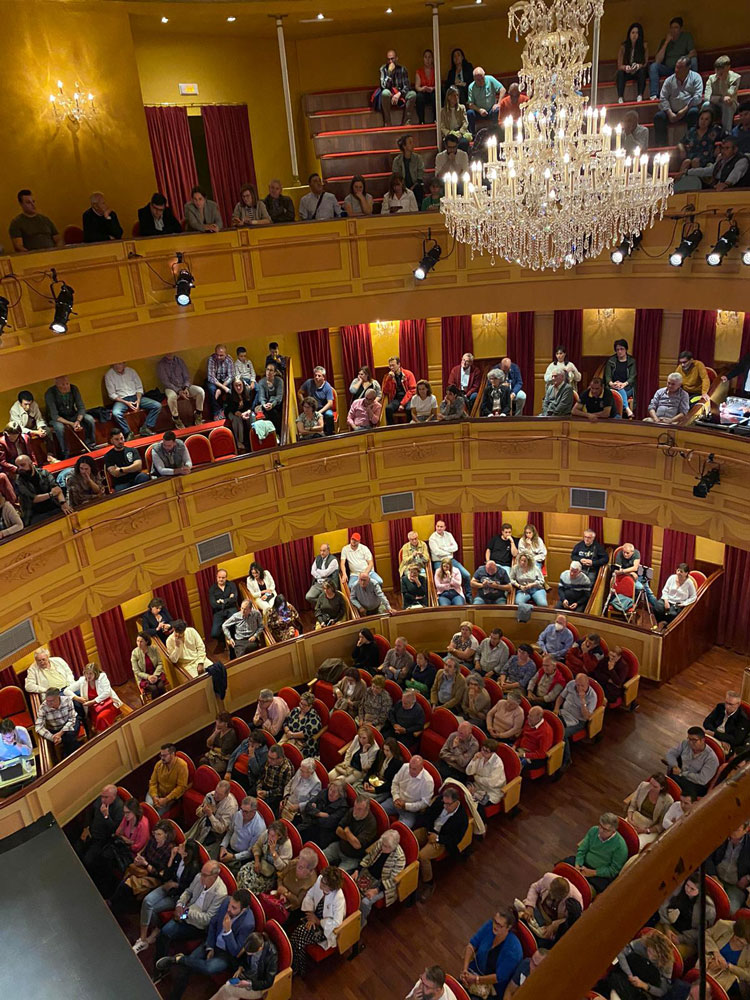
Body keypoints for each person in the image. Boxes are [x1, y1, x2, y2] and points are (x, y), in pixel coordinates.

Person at [155, 889, 256, 999]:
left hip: (226, 954)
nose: (229, 909)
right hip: (213, 942)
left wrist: (228, 932)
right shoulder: (227, 901)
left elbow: (235, 951)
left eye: (234, 908)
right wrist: (210, 946)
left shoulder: (248, 924)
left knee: (209, 968)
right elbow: (213, 923)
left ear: (244, 909)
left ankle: (179, 959)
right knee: (185, 969)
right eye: (230, 905)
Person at [153, 861, 228, 972]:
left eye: (205, 875)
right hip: (186, 914)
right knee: (164, 932)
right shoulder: (198, 877)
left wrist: (186, 912)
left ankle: (162, 969)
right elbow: (188, 892)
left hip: (198, 926)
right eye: (201, 873)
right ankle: (160, 964)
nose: (201, 877)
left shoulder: (220, 893)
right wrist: (179, 904)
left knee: (167, 932)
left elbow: (207, 919)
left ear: (215, 876)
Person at [109, 819, 176, 915]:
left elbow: (161, 874)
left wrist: (146, 864)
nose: (156, 836)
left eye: (159, 834)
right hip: (142, 869)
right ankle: (114, 904)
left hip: (153, 877)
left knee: (127, 885)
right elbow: (144, 853)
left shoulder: (169, 850)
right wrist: (139, 859)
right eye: (155, 833)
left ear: (166, 835)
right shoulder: (153, 840)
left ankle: (114, 905)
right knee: (127, 875)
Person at [414, 786, 470, 901]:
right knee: (412, 838)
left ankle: (429, 883)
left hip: (442, 840)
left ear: (456, 802)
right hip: (430, 830)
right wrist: (430, 833)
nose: (445, 806)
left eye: (448, 804)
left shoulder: (461, 818)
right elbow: (428, 816)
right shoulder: (440, 802)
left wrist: (438, 839)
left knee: (423, 856)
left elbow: (455, 840)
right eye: (444, 803)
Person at [290, 867, 347, 977]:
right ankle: (296, 966)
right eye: (322, 881)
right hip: (314, 916)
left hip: (326, 928)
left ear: (332, 887)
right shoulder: (321, 879)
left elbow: (337, 923)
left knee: (299, 937)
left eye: (325, 885)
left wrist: (318, 921)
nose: (321, 885)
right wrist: (311, 914)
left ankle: (298, 968)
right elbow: (310, 894)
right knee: (296, 937)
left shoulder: (338, 898)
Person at [461, 908, 523, 998]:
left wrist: (476, 980)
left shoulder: (513, 950)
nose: (495, 926)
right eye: (495, 921)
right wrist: (465, 969)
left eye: (499, 925)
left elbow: (499, 977)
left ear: (508, 927)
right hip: (475, 972)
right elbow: (472, 944)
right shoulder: (490, 926)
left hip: (492, 987)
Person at [560, 812, 628, 893]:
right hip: (583, 865)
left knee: (584, 891)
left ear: (613, 831)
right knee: (562, 870)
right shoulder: (594, 830)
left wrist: (593, 872)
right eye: (600, 826)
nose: (601, 830)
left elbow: (613, 870)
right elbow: (582, 849)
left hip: (599, 875)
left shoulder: (620, 846)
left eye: (605, 829)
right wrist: (578, 864)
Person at [599, 930, 675, 1000]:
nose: (649, 955)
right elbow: (622, 953)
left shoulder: (667, 964)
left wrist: (644, 985)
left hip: (642, 990)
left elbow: (662, 991)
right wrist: (630, 975)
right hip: (624, 977)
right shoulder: (643, 943)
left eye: (653, 955)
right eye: (649, 950)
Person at [655, 873, 715, 959]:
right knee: (655, 941)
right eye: (687, 885)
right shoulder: (679, 887)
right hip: (669, 926)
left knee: (668, 954)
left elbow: (702, 932)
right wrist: (667, 928)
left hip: (687, 939)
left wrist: (680, 938)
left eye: (692, 889)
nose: (688, 890)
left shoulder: (707, 908)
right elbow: (664, 905)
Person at [74, 784, 125, 875]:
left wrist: (106, 816)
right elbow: (90, 812)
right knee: (76, 849)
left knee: (87, 861)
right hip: (91, 831)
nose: (102, 799)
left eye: (106, 797)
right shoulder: (101, 800)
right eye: (102, 796)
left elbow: (114, 829)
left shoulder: (119, 808)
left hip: (102, 840)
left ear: (113, 797)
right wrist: (86, 827)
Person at [519, 873, 584, 944]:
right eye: (551, 894)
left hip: (553, 921)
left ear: (565, 895)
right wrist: (530, 906)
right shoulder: (548, 878)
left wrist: (554, 925)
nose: (552, 898)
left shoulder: (575, 899)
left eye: (556, 898)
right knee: (521, 920)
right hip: (539, 908)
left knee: (539, 942)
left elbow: (572, 920)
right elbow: (534, 888)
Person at [653, 57, 703, 147]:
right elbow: (663, 98)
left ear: (688, 68)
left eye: (680, 68)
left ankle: (692, 144)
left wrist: (684, 110)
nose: (676, 70)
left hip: (688, 110)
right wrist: (669, 113)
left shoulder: (696, 77)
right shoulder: (669, 80)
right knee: (658, 117)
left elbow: (697, 97)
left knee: (694, 113)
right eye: (676, 67)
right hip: (671, 111)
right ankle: (661, 146)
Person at [105, 362, 161, 440]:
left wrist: (138, 400)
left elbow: (139, 388)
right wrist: (126, 403)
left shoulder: (131, 371)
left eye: (120, 364)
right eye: (116, 364)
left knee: (157, 405)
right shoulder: (109, 375)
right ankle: (128, 432)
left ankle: (146, 427)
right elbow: (112, 395)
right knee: (116, 413)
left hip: (135, 396)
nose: (118, 366)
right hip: (121, 400)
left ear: (124, 364)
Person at [324, 794, 378, 871]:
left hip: (353, 857)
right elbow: (338, 831)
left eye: (359, 809)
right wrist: (351, 839)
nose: (355, 811)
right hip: (339, 847)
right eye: (355, 807)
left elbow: (357, 845)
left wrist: (347, 831)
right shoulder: (351, 811)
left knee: (338, 877)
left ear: (367, 809)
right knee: (320, 857)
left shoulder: (371, 824)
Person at [45, 375, 96, 456]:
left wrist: (78, 421)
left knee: (89, 419)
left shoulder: (74, 389)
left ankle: (91, 445)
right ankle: (65, 452)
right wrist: (71, 424)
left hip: (72, 414)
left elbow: (81, 408)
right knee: (59, 428)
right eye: (62, 385)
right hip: (58, 419)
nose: (66, 386)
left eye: (67, 384)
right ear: (57, 385)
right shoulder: (50, 393)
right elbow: (54, 415)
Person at [237, 822, 293, 894]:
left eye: (272, 836)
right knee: (242, 872)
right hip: (261, 863)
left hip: (272, 873)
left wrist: (274, 853)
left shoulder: (286, 845)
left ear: (279, 836)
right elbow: (257, 846)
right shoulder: (266, 835)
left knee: (250, 884)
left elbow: (283, 867)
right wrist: (257, 861)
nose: (269, 837)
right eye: (269, 834)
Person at [649, 16, 698, 99]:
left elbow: (693, 53)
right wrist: (666, 42)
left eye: (676, 27)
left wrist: (682, 61)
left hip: (682, 68)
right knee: (653, 66)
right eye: (671, 28)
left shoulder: (686, 37)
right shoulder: (664, 41)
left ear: (681, 29)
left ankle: (693, 89)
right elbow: (658, 60)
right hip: (669, 69)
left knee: (693, 60)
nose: (673, 30)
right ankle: (654, 95)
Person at [14, 454, 71, 524]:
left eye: (22, 465)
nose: (20, 468)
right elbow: (34, 499)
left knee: (68, 514)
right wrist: (50, 494)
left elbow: (56, 488)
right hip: (35, 514)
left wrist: (63, 503)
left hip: (53, 507)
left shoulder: (44, 473)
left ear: (31, 464)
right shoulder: (19, 481)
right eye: (18, 466)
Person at [381, 754, 434, 827]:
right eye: (410, 767)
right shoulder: (405, 767)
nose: (411, 771)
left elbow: (424, 803)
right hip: (395, 801)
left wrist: (406, 806)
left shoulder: (427, 781)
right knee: (378, 811)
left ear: (421, 768)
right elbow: (395, 782)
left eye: (414, 769)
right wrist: (396, 797)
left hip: (410, 810)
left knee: (402, 829)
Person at [216, 796, 268, 871]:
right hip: (228, 848)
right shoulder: (238, 814)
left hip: (241, 858)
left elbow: (251, 852)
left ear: (254, 812)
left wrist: (233, 857)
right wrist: (223, 846)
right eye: (241, 810)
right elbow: (230, 832)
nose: (242, 813)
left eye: (246, 812)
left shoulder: (259, 828)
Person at [665, 726, 719, 797]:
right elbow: (670, 753)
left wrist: (682, 773)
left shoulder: (712, 759)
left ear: (702, 740)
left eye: (694, 740)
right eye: (689, 739)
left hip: (695, 785)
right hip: (680, 776)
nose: (690, 742)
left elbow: (702, 779)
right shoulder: (685, 743)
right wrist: (675, 766)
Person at [156, 353, 205, 430]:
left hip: (184, 386)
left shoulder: (180, 361)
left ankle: (198, 414)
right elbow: (165, 382)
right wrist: (178, 391)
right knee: (171, 397)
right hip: (171, 388)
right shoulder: (161, 364)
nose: (169, 353)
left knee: (200, 391)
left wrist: (185, 388)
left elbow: (187, 376)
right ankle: (176, 419)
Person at [557, 673, 597, 767]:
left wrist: (583, 700)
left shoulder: (592, 696)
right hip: (564, 713)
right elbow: (561, 697)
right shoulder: (571, 684)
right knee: (552, 726)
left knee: (562, 734)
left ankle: (566, 760)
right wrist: (556, 708)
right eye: (577, 685)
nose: (579, 687)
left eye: (582, 685)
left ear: (587, 684)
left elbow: (587, 716)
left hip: (578, 721)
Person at [69, 661, 121, 733]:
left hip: (107, 705)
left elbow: (107, 692)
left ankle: (105, 737)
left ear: (96, 673)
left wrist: (93, 701)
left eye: (91, 673)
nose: (88, 676)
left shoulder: (102, 677)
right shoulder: (82, 680)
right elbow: (66, 690)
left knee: (101, 718)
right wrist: (76, 698)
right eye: (86, 673)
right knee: (97, 719)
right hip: (94, 708)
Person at [625, 773, 675, 849]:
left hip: (651, 827)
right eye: (650, 784)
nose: (650, 787)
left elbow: (661, 824)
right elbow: (633, 804)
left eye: (655, 786)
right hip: (636, 817)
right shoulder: (643, 785)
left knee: (637, 845)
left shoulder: (668, 801)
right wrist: (629, 818)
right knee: (621, 833)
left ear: (662, 787)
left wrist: (645, 830)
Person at [185, 780, 238, 848]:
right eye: (216, 792)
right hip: (204, 823)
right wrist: (203, 810)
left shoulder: (231, 807)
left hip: (216, 834)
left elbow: (221, 829)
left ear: (226, 795)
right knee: (188, 842)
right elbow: (197, 813)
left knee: (200, 851)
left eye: (220, 794)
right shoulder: (210, 795)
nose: (216, 796)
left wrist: (210, 815)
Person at [704, 917, 750, 995]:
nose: (739, 944)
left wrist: (728, 966)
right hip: (710, 962)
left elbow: (748, 974)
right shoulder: (724, 925)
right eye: (737, 939)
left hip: (731, 978)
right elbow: (706, 934)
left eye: (743, 944)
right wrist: (716, 953)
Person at [297, 780, 349, 848]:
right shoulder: (324, 792)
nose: (330, 793)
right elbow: (308, 806)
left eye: (334, 792)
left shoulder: (343, 807)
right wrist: (319, 813)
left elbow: (328, 822)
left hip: (323, 835)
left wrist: (314, 812)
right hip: (309, 824)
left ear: (340, 794)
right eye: (330, 789)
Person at [676, 109, 725, 178]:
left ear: (710, 121)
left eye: (706, 119)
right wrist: (682, 149)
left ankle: (696, 184)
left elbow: (727, 139)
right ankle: (677, 184)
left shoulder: (715, 131)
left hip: (706, 157)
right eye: (701, 118)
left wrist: (719, 146)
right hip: (691, 156)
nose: (703, 121)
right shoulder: (692, 131)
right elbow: (680, 142)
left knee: (695, 161)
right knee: (686, 162)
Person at [649, 562, 698, 627]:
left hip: (678, 604)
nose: (679, 573)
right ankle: (659, 623)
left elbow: (693, 596)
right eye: (678, 570)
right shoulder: (672, 578)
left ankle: (667, 626)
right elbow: (665, 590)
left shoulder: (689, 583)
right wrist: (666, 601)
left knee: (672, 614)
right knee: (656, 608)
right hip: (667, 600)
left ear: (686, 573)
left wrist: (684, 604)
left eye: (681, 571)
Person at [147, 743, 189, 816]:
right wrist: (154, 796)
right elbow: (153, 783)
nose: (162, 758)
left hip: (168, 798)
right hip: (156, 794)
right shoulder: (158, 764)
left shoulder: (182, 766)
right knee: (148, 809)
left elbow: (181, 787)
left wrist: (166, 799)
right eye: (161, 755)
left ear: (172, 754)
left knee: (157, 815)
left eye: (164, 755)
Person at [35, 687, 78, 758]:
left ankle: (68, 756)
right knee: (69, 739)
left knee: (70, 734)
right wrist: (52, 737)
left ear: (58, 697)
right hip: (55, 728)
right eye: (47, 701)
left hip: (70, 723)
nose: (49, 703)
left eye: (52, 701)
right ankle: (73, 755)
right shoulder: (43, 707)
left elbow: (72, 719)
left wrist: (61, 733)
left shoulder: (67, 700)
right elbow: (38, 727)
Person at [377, 48, 417, 126]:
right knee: (385, 93)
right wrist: (389, 73)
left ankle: (406, 121)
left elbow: (407, 86)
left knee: (412, 94)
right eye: (388, 59)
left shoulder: (403, 69)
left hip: (400, 94)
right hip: (390, 94)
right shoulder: (383, 69)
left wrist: (399, 94)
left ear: (396, 58)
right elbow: (383, 86)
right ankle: (387, 122)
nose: (390, 61)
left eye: (392, 59)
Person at [704, 691, 750, 756]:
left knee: (708, 753)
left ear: (738, 704)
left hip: (727, 743)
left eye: (731, 704)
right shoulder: (720, 707)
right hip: (714, 735)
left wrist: (715, 734)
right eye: (726, 703)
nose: (727, 706)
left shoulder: (743, 719)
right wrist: (716, 735)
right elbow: (706, 723)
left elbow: (737, 740)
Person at [281, 691, 323, 758]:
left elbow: (305, 733)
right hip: (289, 735)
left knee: (288, 755)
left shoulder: (313, 717)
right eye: (301, 703)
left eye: (304, 705)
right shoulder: (295, 710)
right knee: (278, 749)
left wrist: (292, 735)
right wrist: (288, 731)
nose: (301, 706)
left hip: (304, 743)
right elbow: (285, 722)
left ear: (310, 706)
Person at [466, 739, 506, 808]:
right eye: (482, 749)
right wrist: (474, 759)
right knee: (462, 793)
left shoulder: (497, 764)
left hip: (492, 792)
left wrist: (477, 778)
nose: (483, 752)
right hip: (478, 786)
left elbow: (491, 783)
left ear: (493, 753)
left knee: (476, 806)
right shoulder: (480, 756)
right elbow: (469, 772)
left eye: (486, 751)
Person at [604, 338, 637, 418]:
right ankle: (627, 408)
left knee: (620, 389)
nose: (619, 351)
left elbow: (633, 376)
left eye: (622, 349)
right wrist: (612, 384)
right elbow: (607, 376)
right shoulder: (611, 361)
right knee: (618, 389)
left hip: (627, 387)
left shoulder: (631, 361)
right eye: (617, 349)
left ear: (626, 349)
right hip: (613, 387)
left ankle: (622, 410)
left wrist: (623, 384)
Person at [299, 366, 336, 436]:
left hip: (324, 409)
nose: (316, 377)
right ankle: (312, 435)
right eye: (315, 375)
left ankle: (329, 435)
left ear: (323, 377)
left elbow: (330, 403)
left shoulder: (327, 386)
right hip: (311, 409)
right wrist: (304, 403)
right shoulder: (309, 382)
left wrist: (319, 413)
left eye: (319, 376)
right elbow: (299, 393)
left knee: (329, 415)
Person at [256, 746, 294, 815]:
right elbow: (262, 776)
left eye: (272, 759)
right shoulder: (269, 761)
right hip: (264, 786)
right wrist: (259, 788)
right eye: (268, 757)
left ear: (280, 758)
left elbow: (283, 788)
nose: (269, 760)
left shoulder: (287, 769)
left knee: (261, 808)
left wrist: (267, 794)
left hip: (275, 793)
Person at [616, 23, 649, 102]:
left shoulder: (644, 46)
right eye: (633, 33)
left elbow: (645, 62)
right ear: (629, 34)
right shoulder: (623, 47)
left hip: (638, 71)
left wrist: (638, 66)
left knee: (642, 72)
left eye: (637, 33)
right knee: (620, 73)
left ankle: (640, 95)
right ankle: (620, 97)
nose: (634, 35)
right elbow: (619, 65)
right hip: (627, 71)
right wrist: (625, 67)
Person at [467, 67, 505, 134]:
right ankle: (472, 135)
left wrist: (498, 103)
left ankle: (496, 133)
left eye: (482, 78)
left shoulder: (490, 79)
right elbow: (470, 104)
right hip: (479, 111)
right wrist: (479, 110)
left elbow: (503, 90)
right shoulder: (471, 87)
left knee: (497, 110)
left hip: (491, 110)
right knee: (470, 113)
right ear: (474, 79)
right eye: (478, 80)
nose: (481, 81)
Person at [515, 705, 554, 771]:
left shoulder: (546, 732)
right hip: (520, 749)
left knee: (514, 766)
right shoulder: (529, 721)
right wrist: (514, 746)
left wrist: (523, 755)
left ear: (539, 718)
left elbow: (542, 754)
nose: (528, 717)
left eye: (531, 716)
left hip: (533, 757)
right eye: (529, 715)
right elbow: (522, 736)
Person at [392, 134, 426, 208]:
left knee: (418, 190)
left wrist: (413, 187)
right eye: (410, 142)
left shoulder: (418, 158)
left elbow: (421, 174)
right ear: (404, 146)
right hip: (402, 186)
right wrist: (404, 187)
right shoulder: (397, 161)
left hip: (415, 185)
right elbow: (396, 176)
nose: (413, 145)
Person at [131, 633, 167, 701]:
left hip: (156, 674)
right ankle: (156, 707)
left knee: (161, 686)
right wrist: (148, 677)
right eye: (137, 641)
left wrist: (155, 675)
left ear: (146, 642)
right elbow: (136, 671)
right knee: (154, 689)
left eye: (141, 641)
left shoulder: (153, 649)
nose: (139, 643)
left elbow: (159, 663)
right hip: (144, 678)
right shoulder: (135, 653)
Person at [207, 568, 239, 643]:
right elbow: (213, 604)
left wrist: (223, 601)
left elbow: (234, 599)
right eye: (219, 577)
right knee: (214, 634)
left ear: (226, 577)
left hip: (231, 609)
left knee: (235, 625)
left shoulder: (231, 585)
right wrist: (229, 599)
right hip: (218, 612)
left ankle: (235, 641)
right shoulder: (212, 589)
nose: (221, 579)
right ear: (216, 577)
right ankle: (223, 642)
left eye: (223, 577)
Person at [383, 355, 418, 423]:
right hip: (396, 399)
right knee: (388, 409)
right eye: (390, 366)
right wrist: (389, 379)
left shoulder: (408, 374)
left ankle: (409, 428)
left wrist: (402, 404)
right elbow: (385, 391)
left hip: (408, 398)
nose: (391, 367)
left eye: (393, 365)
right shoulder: (388, 376)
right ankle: (392, 429)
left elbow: (412, 390)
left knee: (409, 409)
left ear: (399, 364)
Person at [206, 344, 235, 421]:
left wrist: (221, 389)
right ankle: (216, 412)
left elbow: (231, 376)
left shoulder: (229, 360)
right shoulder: (211, 359)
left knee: (231, 388)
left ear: (225, 354)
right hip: (215, 381)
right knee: (211, 389)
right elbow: (211, 377)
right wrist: (222, 388)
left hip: (224, 381)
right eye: (217, 355)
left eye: (221, 355)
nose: (218, 357)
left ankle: (226, 411)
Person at [440, 86, 472, 151]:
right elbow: (442, 126)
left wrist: (460, 132)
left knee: (464, 142)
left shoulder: (462, 108)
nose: (456, 97)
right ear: (449, 97)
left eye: (457, 95)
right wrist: (450, 133)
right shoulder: (443, 111)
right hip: (450, 133)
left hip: (460, 132)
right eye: (454, 95)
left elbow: (465, 122)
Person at [414, 48, 436, 124]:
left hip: (433, 92)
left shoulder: (436, 70)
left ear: (432, 59)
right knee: (419, 97)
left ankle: (436, 119)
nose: (427, 59)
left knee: (436, 95)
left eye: (429, 57)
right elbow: (417, 87)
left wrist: (432, 88)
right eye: (425, 57)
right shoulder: (419, 71)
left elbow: (438, 85)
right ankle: (421, 120)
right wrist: (423, 88)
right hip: (423, 93)